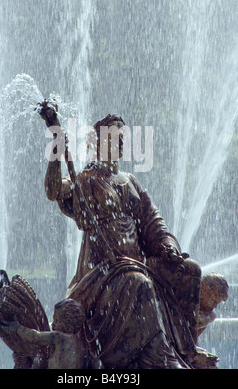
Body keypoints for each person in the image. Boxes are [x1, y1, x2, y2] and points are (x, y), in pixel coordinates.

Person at [40, 105, 215, 369]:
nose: (120, 143)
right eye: (113, 138)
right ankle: (160, 356)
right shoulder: (85, 180)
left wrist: (167, 245)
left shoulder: (130, 181)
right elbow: (53, 190)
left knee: (189, 271)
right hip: (103, 271)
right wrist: (56, 144)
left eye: (122, 138)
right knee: (139, 282)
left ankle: (186, 351)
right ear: (99, 143)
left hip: (137, 264)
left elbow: (152, 221)